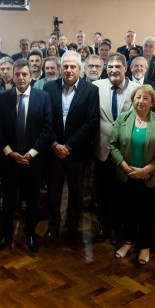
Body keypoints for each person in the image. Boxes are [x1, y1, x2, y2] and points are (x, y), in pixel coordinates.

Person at [0, 59, 53, 252]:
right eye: (17, 74)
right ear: (13, 75)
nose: (20, 77)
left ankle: (29, 233)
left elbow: (47, 127)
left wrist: (31, 153)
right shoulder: (3, 97)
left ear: (30, 76)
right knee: (9, 199)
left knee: (33, 199)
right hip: (10, 160)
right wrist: (10, 152)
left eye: (24, 74)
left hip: (33, 161)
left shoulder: (43, 97)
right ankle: (6, 233)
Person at [43, 51, 100, 244]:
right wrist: (54, 144)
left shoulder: (90, 90)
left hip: (77, 152)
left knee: (76, 193)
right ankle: (53, 226)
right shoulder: (48, 88)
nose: (68, 70)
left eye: (72, 66)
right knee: (53, 192)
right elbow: (45, 119)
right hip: (53, 151)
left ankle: (73, 227)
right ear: (60, 68)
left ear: (80, 69)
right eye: (65, 66)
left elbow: (91, 122)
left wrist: (67, 145)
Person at [109, 85, 155, 265]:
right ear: (133, 100)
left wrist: (145, 170)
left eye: (145, 98)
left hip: (149, 178)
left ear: (152, 103)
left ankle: (144, 247)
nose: (140, 101)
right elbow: (113, 145)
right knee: (128, 212)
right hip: (127, 176)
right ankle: (128, 242)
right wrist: (127, 169)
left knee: (147, 214)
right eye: (137, 97)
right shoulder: (123, 118)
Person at [92, 53, 138, 245]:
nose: (113, 70)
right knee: (102, 191)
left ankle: (117, 227)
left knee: (122, 192)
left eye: (118, 66)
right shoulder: (96, 87)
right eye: (110, 66)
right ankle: (103, 225)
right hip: (101, 148)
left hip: (126, 151)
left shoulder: (138, 89)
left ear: (125, 68)